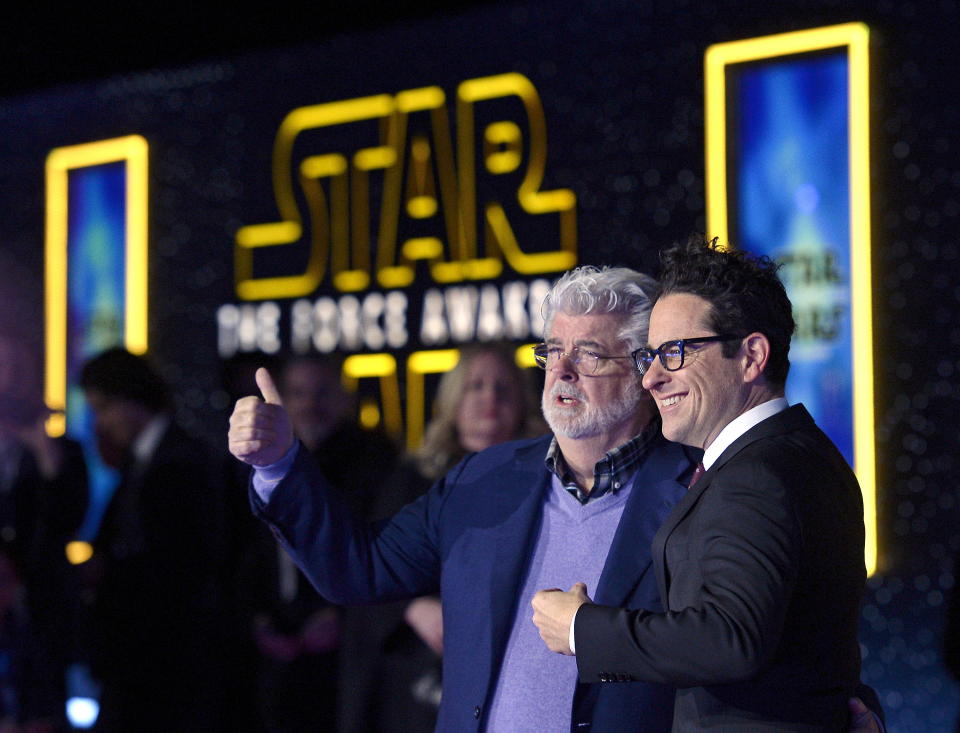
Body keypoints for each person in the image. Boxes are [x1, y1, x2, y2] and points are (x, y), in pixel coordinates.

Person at [229, 265, 880, 732]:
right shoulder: (484, 478)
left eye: (589, 355)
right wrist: (281, 465)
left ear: (643, 369)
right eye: (552, 351)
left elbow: (776, 628)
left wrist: (845, 705)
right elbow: (358, 567)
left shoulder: (701, 480)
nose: (560, 373)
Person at [532, 238, 869, 731]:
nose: (651, 380)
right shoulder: (804, 454)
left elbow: (730, 638)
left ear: (752, 356)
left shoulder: (755, 476)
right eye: (651, 357)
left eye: (674, 353)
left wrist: (582, 628)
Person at [338, 343, 546, 733]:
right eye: (476, 386)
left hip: (519, 668)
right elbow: (369, 567)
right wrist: (413, 608)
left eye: (503, 387)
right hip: (422, 680)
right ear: (452, 399)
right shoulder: (412, 480)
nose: (490, 397)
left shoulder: (548, 477)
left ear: (523, 400)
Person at [80, 348, 227, 732]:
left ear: (130, 399)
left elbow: (186, 567)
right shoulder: (141, 462)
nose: (101, 423)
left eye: (104, 408)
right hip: (143, 663)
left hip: (168, 664)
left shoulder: (183, 463)